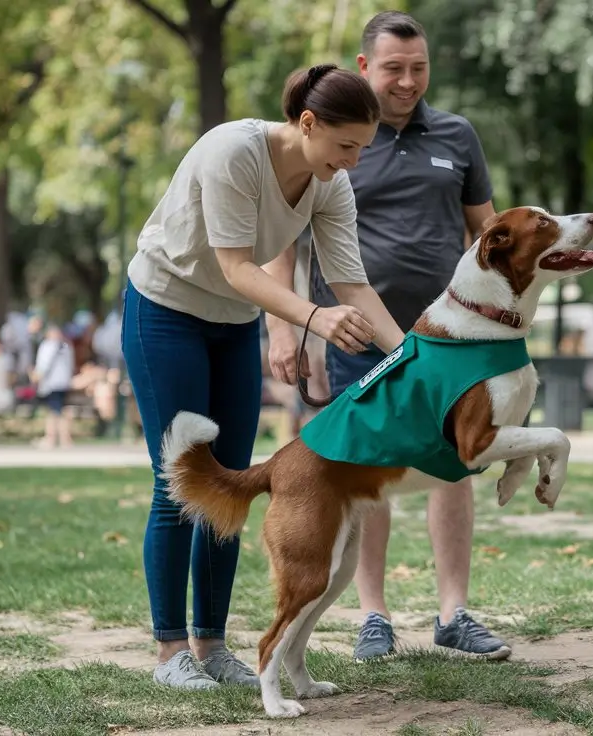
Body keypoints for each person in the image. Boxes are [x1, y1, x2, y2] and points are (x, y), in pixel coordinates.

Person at [121, 62, 405, 692]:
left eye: (363, 147)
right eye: (346, 146)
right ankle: (171, 652)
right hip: (165, 310)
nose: (354, 161)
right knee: (179, 481)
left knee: (233, 477)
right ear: (307, 123)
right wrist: (314, 319)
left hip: (230, 325)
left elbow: (352, 282)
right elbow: (236, 268)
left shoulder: (330, 182)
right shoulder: (233, 152)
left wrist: (410, 356)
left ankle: (213, 646)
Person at [273, 10, 505, 662]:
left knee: (452, 464)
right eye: (395, 68)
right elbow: (286, 241)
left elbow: (487, 235)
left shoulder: (457, 135)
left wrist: (497, 318)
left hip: (446, 340)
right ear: (365, 67)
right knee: (367, 473)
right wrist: (290, 329)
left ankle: (454, 610)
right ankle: (372, 615)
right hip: (351, 337)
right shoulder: (338, 138)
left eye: (419, 68)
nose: (408, 81)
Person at [32, 323, 75, 449]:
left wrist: (37, 377)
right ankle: (64, 438)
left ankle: (52, 438)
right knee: (61, 409)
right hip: (63, 382)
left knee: (54, 411)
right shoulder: (66, 346)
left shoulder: (49, 346)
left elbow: (44, 365)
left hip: (51, 383)